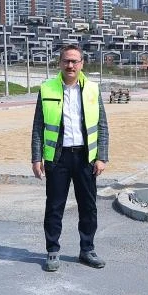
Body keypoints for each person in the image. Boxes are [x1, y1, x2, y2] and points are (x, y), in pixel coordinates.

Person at [31, 44, 109, 272]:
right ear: (60, 63)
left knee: (88, 206)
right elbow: (38, 127)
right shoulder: (47, 89)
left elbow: (102, 125)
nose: (71, 65)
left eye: (75, 61)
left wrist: (101, 157)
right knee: (54, 206)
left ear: (82, 64)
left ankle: (87, 249)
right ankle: (52, 250)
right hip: (58, 158)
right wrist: (37, 158)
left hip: (86, 157)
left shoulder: (93, 89)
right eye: (66, 61)